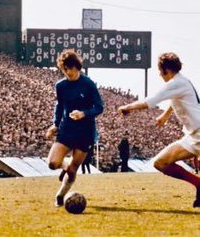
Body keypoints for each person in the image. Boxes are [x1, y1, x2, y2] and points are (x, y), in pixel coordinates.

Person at [118, 52, 200, 208]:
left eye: (160, 70)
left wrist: (127, 107)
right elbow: (174, 100)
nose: (159, 74)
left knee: (161, 163)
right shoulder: (181, 81)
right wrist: (165, 116)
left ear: (165, 70)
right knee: (160, 163)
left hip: (198, 133)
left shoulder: (176, 83)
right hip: (194, 134)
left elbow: (151, 101)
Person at [46, 49, 104, 207]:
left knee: (73, 171)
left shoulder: (88, 84)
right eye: (64, 69)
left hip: (85, 132)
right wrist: (55, 124)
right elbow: (59, 106)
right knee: (52, 163)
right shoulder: (61, 86)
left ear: (77, 67)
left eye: (70, 68)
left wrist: (84, 113)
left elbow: (99, 107)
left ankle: (61, 195)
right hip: (67, 129)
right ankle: (65, 166)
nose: (68, 72)